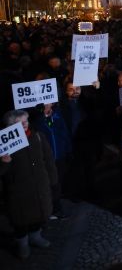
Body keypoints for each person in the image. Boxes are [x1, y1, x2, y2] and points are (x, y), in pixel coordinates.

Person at [0, 110, 57, 259]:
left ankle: (35, 236)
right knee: (20, 219)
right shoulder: (4, 143)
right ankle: (22, 244)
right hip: (17, 189)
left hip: (39, 184)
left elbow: (48, 159)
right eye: (20, 122)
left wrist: (52, 179)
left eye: (26, 120)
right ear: (10, 126)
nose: (25, 124)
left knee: (38, 213)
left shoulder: (37, 136)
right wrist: (3, 163)